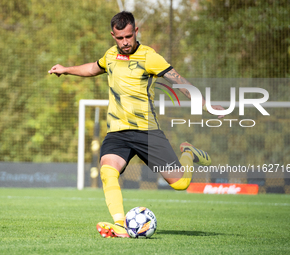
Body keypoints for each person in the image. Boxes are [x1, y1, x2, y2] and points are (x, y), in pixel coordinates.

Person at [49, 11, 225, 238]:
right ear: (113, 35)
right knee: (107, 171)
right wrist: (66, 69)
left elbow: (179, 82)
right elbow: (93, 68)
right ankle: (121, 225)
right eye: (120, 38)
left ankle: (188, 152)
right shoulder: (110, 55)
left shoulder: (150, 57)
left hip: (147, 131)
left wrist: (206, 105)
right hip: (118, 132)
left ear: (136, 32)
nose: (125, 42)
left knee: (180, 183)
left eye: (129, 37)